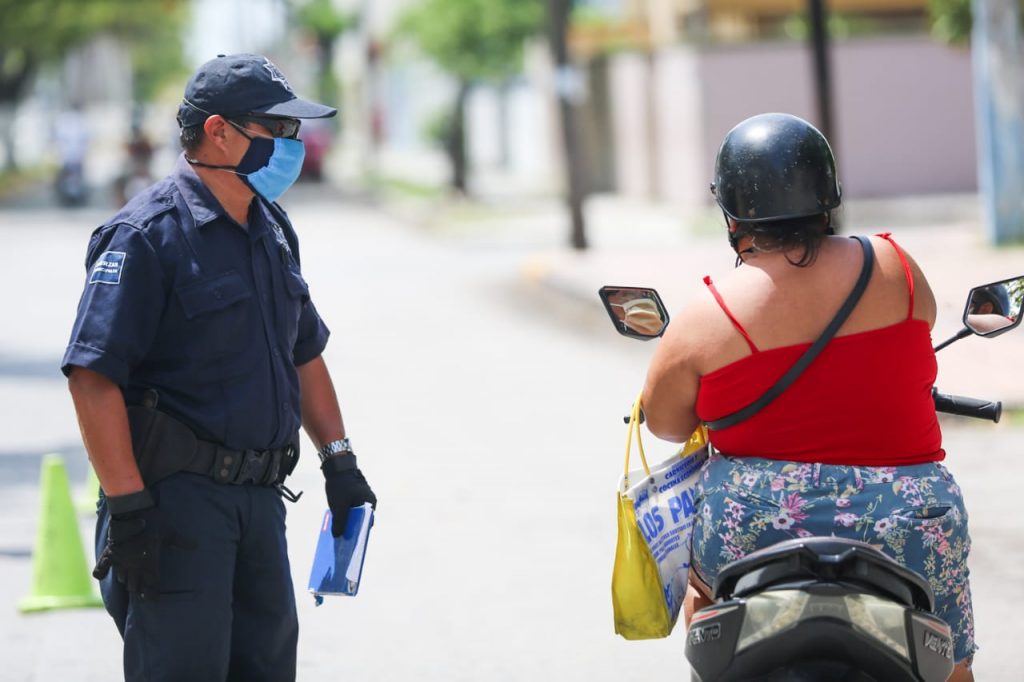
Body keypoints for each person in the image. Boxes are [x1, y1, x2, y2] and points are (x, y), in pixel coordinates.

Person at [62, 54, 377, 682]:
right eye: (277, 128)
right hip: (176, 508)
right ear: (218, 132)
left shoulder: (271, 227)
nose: (291, 144)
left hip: (260, 501)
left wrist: (339, 461)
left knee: (266, 667)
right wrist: (128, 507)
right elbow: (93, 378)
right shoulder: (146, 235)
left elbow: (304, 351)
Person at [641, 113, 976, 680]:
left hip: (754, 521)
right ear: (828, 195)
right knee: (949, 664)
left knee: (705, 602)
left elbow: (665, 424)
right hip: (907, 518)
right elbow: (922, 329)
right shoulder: (896, 267)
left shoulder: (707, 315)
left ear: (732, 214)